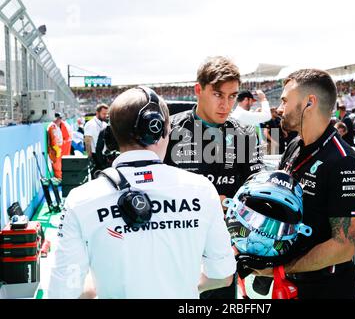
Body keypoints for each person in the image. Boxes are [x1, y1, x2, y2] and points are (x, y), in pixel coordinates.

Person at [48, 87, 235, 299]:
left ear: (111, 136)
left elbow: (63, 293)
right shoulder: (202, 190)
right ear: (161, 130)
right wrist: (181, 285)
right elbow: (223, 275)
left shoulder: (81, 199)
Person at [238, 69, 355, 299]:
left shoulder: (343, 163)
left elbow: (344, 247)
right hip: (291, 283)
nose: (279, 107)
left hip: (328, 289)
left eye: (286, 100)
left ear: (310, 103)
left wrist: (280, 268)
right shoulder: (294, 145)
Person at [164, 56, 264, 299]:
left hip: (220, 253)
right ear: (198, 90)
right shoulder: (170, 132)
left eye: (233, 96)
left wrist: (231, 205)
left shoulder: (244, 135)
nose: (226, 104)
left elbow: (257, 193)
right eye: (218, 94)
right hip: (175, 249)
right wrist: (207, 202)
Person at [84, 104, 109, 177]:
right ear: (97, 113)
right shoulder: (90, 124)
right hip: (95, 155)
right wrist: (90, 156)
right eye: (104, 114)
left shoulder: (104, 124)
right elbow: (87, 141)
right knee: (95, 176)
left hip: (104, 154)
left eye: (106, 113)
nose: (106, 115)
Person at [47, 113, 64, 179]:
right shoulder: (52, 126)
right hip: (55, 150)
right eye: (59, 118)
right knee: (57, 167)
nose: (60, 120)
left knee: (59, 167)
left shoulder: (55, 126)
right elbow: (53, 140)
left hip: (57, 149)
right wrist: (57, 149)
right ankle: (59, 180)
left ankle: (59, 179)